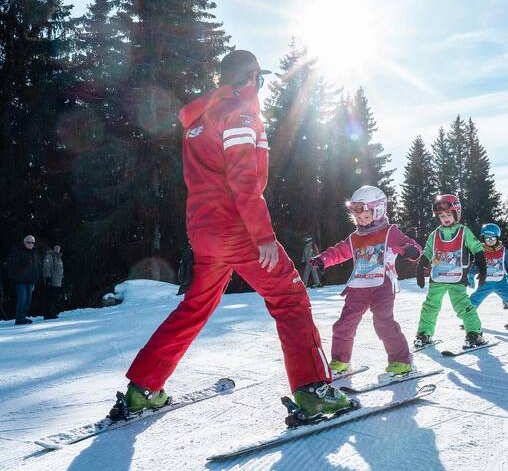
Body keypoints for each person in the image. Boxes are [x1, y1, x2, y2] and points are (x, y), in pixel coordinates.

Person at [109, 50, 351, 421]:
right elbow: (243, 179)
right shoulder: (239, 112)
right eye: (260, 79)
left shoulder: (200, 117)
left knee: (196, 305)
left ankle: (143, 387)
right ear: (252, 78)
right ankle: (314, 390)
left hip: (204, 230)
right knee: (289, 297)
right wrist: (263, 235)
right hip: (236, 227)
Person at [309, 186, 421, 376]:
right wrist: (323, 260)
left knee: (383, 322)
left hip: (382, 285)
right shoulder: (355, 238)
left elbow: (410, 245)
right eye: (358, 218)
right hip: (359, 286)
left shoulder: (389, 232)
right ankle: (340, 360)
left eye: (365, 216)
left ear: (378, 211)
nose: (361, 220)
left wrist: (410, 250)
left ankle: (402, 361)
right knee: (344, 323)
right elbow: (339, 251)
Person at [415, 194, 488, 348]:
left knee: (463, 306)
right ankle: (424, 333)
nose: (445, 218)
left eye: (448, 214)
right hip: (438, 278)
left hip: (457, 278)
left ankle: (474, 333)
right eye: (441, 216)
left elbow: (477, 248)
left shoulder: (464, 232)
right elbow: (428, 252)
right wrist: (420, 269)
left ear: (456, 213)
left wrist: (482, 268)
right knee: (430, 306)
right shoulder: (434, 234)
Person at [469, 223, 508, 325]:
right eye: (487, 239)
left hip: (500, 282)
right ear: (483, 239)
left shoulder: (503, 250)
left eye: (493, 238)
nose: (490, 241)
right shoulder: (481, 251)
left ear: (497, 238)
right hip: (485, 282)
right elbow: (476, 265)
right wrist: (470, 274)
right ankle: (468, 318)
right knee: (474, 299)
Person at [6, 235, 41, 325]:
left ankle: (23, 317)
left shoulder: (34, 253)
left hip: (30, 281)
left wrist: (36, 278)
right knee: (22, 299)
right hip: (20, 281)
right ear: (24, 242)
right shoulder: (18, 251)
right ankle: (19, 318)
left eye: (32, 242)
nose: (30, 244)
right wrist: (17, 276)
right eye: (28, 242)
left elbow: (36, 266)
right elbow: (12, 266)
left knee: (28, 300)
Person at [42, 243, 64, 319]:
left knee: (54, 297)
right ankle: (48, 314)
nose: (58, 248)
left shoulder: (58, 257)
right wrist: (47, 277)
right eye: (56, 247)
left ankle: (52, 312)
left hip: (57, 281)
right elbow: (46, 267)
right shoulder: (50, 256)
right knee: (50, 297)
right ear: (53, 248)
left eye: (59, 247)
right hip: (51, 281)